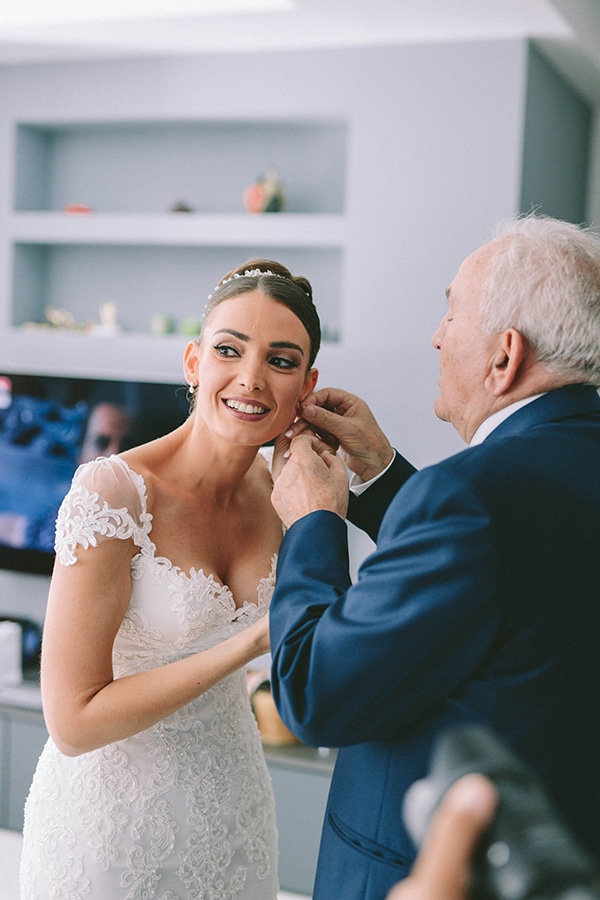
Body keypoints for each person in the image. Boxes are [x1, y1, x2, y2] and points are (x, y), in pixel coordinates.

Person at [268, 214, 600, 899]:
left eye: (451, 311)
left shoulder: (471, 497)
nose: (437, 335)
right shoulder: (546, 477)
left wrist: (313, 522)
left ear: (504, 355)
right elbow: (508, 581)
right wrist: (385, 476)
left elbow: (313, 692)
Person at [20, 259, 320, 899]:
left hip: (232, 813)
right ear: (193, 363)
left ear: (308, 385)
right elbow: (72, 722)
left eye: (282, 360)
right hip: (109, 833)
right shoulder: (113, 493)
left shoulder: (290, 494)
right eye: (229, 350)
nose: (251, 378)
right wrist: (247, 642)